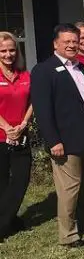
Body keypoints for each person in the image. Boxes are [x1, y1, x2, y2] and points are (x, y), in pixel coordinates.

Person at [31, 23, 84, 248]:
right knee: (69, 190)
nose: (72, 45)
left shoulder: (80, 68)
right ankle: (68, 236)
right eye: (67, 41)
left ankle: (80, 223)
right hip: (64, 141)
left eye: (75, 41)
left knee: (82, 186)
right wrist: (53, 140)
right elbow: (42, 110)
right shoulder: (44, 70)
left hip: (83, 137)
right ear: (55, 44)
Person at [0, 32, 33, 242]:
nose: (8, 54)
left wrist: (23, 124)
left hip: (21, 134)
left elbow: (33, 101)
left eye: (12, 50)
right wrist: (6, 127)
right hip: (0, 136)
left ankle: (6, 220)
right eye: (3, 51)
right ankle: (6, 223)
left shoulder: (24, 75)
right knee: (1, 182)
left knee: (21, 180)